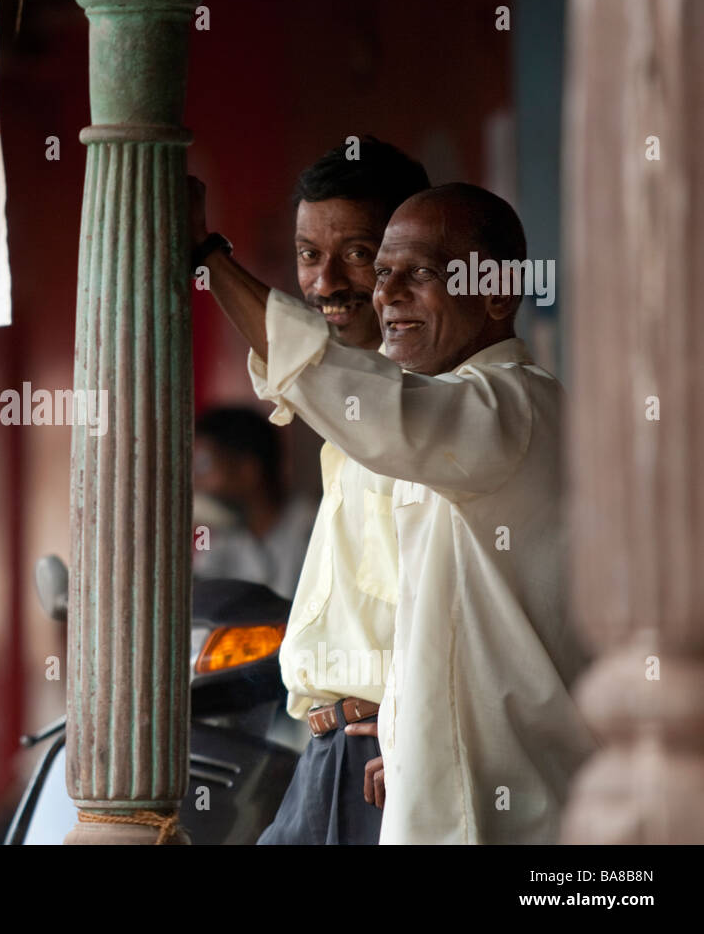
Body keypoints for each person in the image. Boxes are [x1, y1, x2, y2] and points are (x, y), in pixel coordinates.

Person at [206, 181, 595, 844]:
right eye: (383, 273)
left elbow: (370, 402)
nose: (385, 295)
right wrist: (408, 731)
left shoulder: (509, 408)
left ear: (498, 293)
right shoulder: (462, 419)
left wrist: (209, 260)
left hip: (505, 809)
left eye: (419, 274)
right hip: (429, 783)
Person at [190, 137, 429, 843]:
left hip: (383, 757)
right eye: (307, 255)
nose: (324, 283)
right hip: (328, 751)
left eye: (356, 252)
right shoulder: (349, 419)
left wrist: (206, 255)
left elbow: (307, 361)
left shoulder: (428, 401)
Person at [192, 406, 316, 601]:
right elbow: (201, 598)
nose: (196, 483)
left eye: (204, 466)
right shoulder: (226, 535)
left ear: (248, 470)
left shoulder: (314, 529)